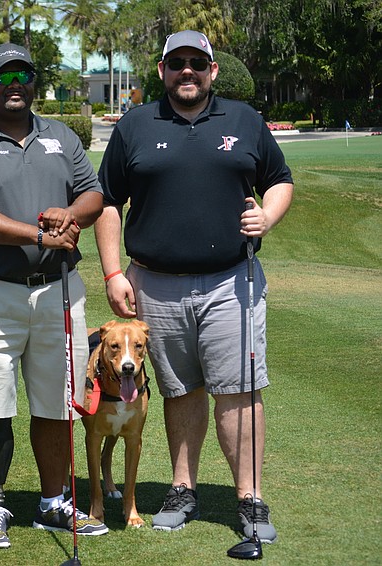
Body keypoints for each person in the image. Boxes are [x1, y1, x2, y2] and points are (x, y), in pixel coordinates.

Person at [94, 30, 293, 544]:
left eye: (197, 63)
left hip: (233, 281)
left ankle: (249, 497)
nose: (188, 71)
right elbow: (108, 201)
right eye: (177, 63)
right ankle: (183, 488)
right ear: (161, 70)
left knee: (239, 391)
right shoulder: (135, 125)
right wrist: (114, 272)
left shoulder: (244, 120)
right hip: (154, 287)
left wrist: (267, 216)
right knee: (179, 391)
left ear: (213, 70)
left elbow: (279, 178)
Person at [0, 43, 106, 549]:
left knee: (57, 401)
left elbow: (94, 193)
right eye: (4, 74)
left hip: (59, 291)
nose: (15, 83)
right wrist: (37, 234)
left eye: (24, 74)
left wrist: (70, 214)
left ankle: (53, 500)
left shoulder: (59, 135)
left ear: (35, 83)